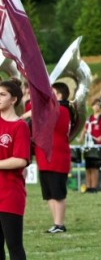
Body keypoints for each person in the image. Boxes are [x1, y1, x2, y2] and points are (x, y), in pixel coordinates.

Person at [35, 82, 72, 234]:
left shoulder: (62, 110)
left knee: (58, 193)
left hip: (57, 157)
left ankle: (60, 224)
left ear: (60, 95)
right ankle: (55, 222)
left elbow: (51, 123)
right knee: (48, 194)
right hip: (44, 158)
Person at [0, 79, 30, 259]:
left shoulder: (20, 126)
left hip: (10, 193)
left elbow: (20, 160)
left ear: (14, 100)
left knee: (14, 246)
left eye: (2, 94)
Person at [77, 97, 101, 193]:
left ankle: (94, 187)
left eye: (98, 105)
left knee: (94, 168)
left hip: (97, 146)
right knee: (88, 167)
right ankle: (88, 186)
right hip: (88, 146)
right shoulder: (89, 118)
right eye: (95, 105)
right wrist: (81, 138)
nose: (96, 107)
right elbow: (85, 130)